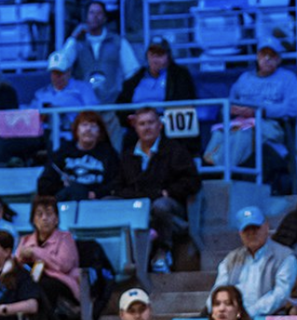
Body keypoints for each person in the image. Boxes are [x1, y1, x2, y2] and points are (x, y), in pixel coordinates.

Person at [203, 38, 297, 190]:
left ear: (279, 59)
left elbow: (292, 108)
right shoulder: (245, 79)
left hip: (271, 125)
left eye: (272, 55)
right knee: (219, 132)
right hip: (240, 122)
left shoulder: (288, 78)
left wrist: (261, 111)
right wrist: (233, 110)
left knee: (244, 133)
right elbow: (228, 105)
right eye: (264, 54)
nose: (267, 59)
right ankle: (210, 166)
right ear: (257, 56)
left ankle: (227, 171)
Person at [112, 107, 201, 273]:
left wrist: (168, 192)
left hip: (170, 206)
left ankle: (163, 252)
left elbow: (192, 181)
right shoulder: (127, 154)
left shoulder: (175, 150)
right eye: (142, 124)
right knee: (107, 203)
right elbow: (117, 186)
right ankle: (115, 257)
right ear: (135, 127)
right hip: (136, 204)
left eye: (151, 123)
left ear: (160, 125)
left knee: (161, 205)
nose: (147, 127)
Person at [213, 206, 297, 317]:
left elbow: (281, 295)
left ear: (266, 227)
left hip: (271, 318)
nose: (252, 233)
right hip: (232, 319)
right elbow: (217, 291)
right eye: (246, 230)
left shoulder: (285, 256)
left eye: (256, 228)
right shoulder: (230, 259)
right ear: (240, 233)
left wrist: (247, 314)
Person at [61, 1, 141, 107]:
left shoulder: (118, 41)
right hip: (83, 105)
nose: (95, 16)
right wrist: (73, 37)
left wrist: (122, 94)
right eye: (91, 13)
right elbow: (62, 64)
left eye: (99, 13)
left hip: (112, 104)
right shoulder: (77, 43)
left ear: (105, 18)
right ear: (86, 17)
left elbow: (132, 71)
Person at [116, 38, 197, 131]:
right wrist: (129, 118)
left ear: (168, 56)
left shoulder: (180, 76)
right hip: (139, 127)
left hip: (168, 127)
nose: (155, 60)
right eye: (152, 55)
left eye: (160, 55)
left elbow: (186, 103)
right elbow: (122, 104)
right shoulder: (135, 79)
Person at [37, 110, 119, 201]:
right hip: (67, 199)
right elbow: (45, 182)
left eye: (93, 126)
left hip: (97, 202)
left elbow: (116, 182)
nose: (88, 129)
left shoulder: (108, 153)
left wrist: (96, 193)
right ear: (76, 130)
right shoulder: (63, 152)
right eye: (84, 125)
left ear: (100, 132)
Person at [16, 195, 80, 308]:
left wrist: (36, 252)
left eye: (49, 214)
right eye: (39, 214)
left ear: (56, 219)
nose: (44, 218)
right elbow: (16, 265)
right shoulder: (25, 240)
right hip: (34, 283)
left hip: (62, 285)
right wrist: (21, 258)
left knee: (41, 286)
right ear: (33, 220)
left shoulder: (65, 238)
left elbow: (64, 266)